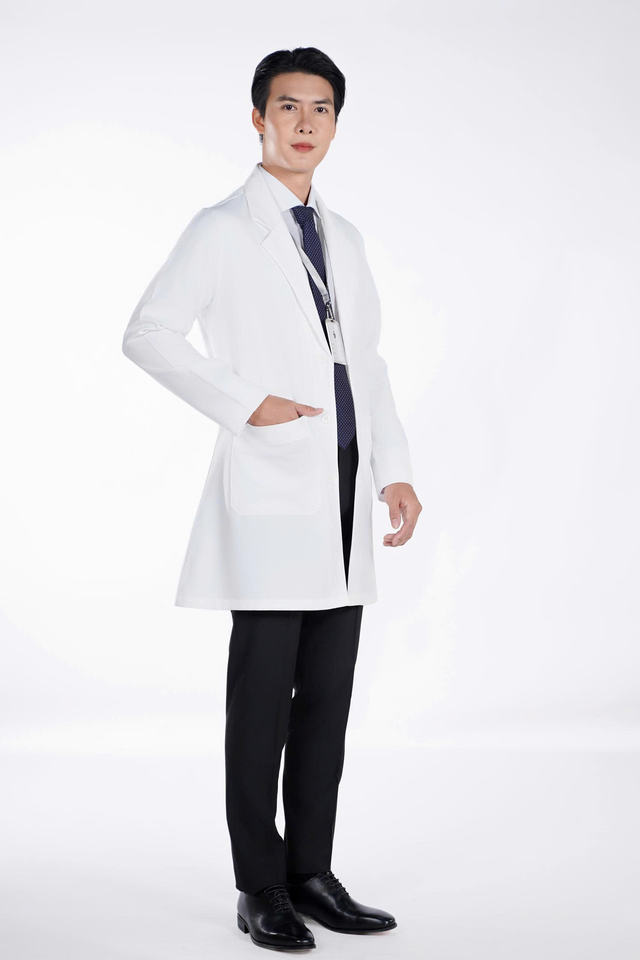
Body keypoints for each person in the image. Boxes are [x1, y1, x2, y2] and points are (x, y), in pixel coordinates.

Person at [122, 46, 421, 952]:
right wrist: (246, 401)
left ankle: (311, 873)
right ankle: (260, 886)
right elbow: (148, 332)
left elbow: (366, 363)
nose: (304, 123)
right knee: (261, 708)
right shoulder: (223, 228)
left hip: (341, 488)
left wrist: (394, 468)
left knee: (326, 702)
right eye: (287, 106)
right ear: (258, 117)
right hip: (272, 484)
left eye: (320, 109)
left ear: (335, 123)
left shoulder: (345, 237)